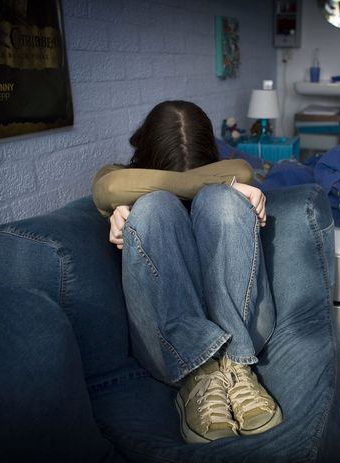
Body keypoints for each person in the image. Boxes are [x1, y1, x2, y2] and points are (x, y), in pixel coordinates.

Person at [91, 100, 282, 444]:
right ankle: (199, 374)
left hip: (244, 328)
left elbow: (242, 170)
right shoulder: (122, 181)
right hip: (168, 344)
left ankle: (237, 367)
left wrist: (228, 190)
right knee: (155, 206)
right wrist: (125, 208)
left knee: (220, 201)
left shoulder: (226, 178)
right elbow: (107, 185)